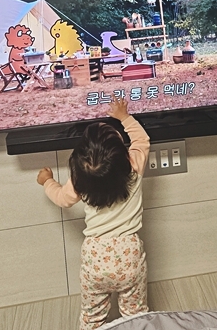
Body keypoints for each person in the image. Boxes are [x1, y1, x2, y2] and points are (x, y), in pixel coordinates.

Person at [37, 97, 150, 330]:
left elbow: (62, 199)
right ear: (124, 155)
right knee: (136, 315)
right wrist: (124, 117)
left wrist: (47, 181)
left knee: (92, 318)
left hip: (95, 258)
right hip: (129, 254)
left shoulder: (80, 181)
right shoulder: (134, 166)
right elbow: (142, 139)